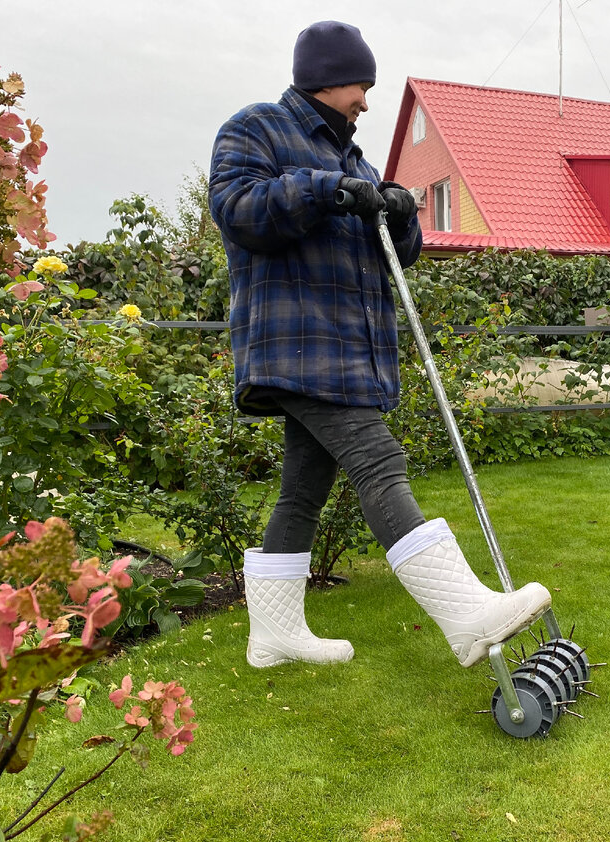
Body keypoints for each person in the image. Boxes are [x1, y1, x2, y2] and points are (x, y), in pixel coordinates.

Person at [208, 21, 551, 670]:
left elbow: (397, 258)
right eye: (359, 85)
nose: (367, 99)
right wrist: (324, 190)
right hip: (296, 344)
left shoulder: (356, 160)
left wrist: (400, 213)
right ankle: (465, 617)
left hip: (350, 349)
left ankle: (274, 635)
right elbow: (238, 209)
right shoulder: (254, 130)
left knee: (304, 489)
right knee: (379, 461)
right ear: (324, 79)